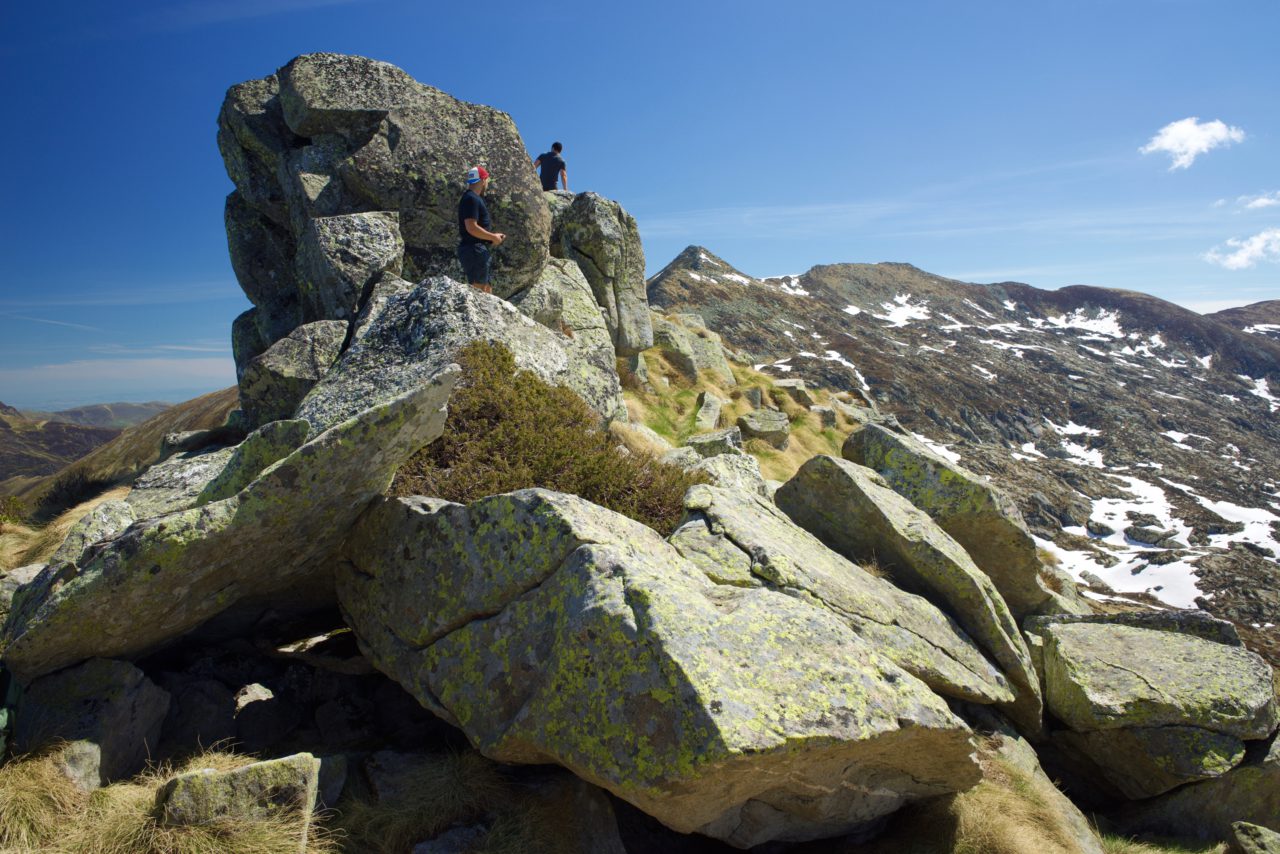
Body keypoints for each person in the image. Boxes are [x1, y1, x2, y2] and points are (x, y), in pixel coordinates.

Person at [456, 165, 505, 293]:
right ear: (483, 180)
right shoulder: (471, 198)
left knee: (487, 289)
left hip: (477, 249)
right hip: (474, 250)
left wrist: (491, 237)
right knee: (478, 290)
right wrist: (493, 237)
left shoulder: (472, 198)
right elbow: (471, 227)